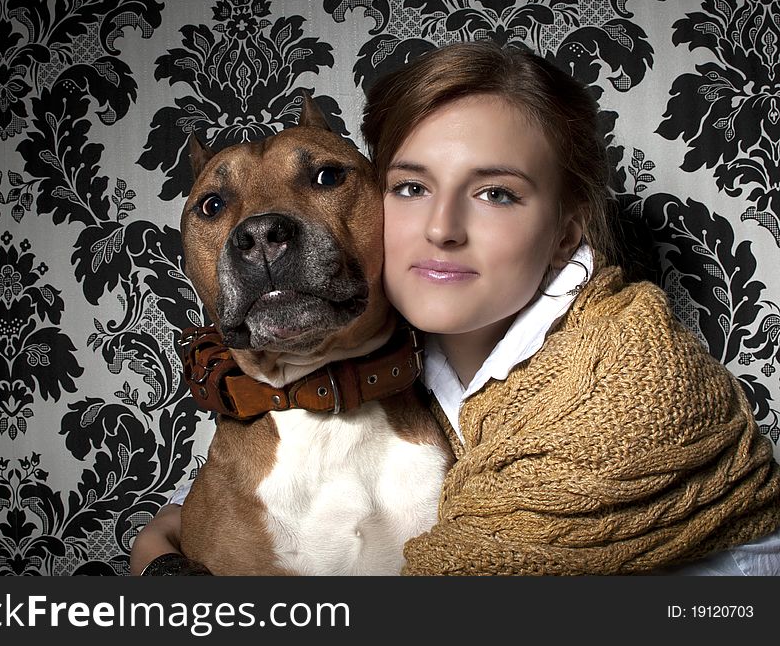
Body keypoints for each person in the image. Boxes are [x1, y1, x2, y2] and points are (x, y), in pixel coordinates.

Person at [131, 39, 780, 576]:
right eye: (411, 186)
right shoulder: (425, 358)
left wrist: (160, 572)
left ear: (564, 231)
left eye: (496, 193)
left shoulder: (623, 385)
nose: (441, 228)